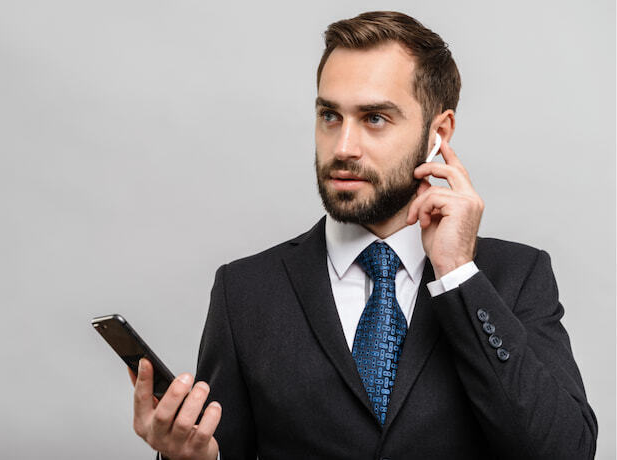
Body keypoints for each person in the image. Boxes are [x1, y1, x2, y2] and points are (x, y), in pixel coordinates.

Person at [129, 11, 598, 459]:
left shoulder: (516, 276)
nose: (343, 147)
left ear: (439, 133)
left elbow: (564, 451)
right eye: (330, 116)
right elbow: (218, 449)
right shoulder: (245, 290)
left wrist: (457, 274)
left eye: (374, 118)